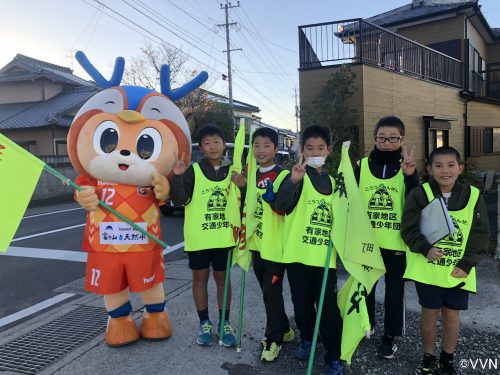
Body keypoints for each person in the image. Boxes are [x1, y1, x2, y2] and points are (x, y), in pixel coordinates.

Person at [401, 146, 490, 375]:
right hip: (428, 270)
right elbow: (408, 229)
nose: (445, 171)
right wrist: (425, 248)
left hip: (457, 271)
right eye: (438, 166)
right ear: (429, 169)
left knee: (451, 315)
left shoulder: (473, 195)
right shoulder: (420, 194)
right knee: (429, 314)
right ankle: (429, 356)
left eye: (451, 165)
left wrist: (466, 264)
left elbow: (480, 234)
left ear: (460, 168)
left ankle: (447, 358)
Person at [275, 125, 343, 375]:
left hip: (326, 260)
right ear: (301, 150)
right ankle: (308, 339)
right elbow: (281, 205)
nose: (315, 152)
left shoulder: (335, 183)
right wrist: (294, 180)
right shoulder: (292, 176)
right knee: (302, 305)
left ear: (329, 150)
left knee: (328, 309)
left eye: (321, 148)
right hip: (297, 256)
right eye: (310, 148)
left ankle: (333, 356)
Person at [170, 124, 244, 347]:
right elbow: (179, 200)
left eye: (216, 142)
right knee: (199, 280)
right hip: (199, 238)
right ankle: (204, 323)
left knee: (223, 280)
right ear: (201, 148)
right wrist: (177, 177)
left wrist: (245, 184)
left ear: (224, 145)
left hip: (223, 237)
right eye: (207, 143)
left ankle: (224, 323)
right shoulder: (192, 170)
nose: (212, 146)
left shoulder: (234, 172)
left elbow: (246, 204)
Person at [354, 115, 418, 359]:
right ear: (375, 138)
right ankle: (365, 326)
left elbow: (416, 202)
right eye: (382, 137)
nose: (387, 142)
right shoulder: (361, 165)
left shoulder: (407, 166)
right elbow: (350, 200)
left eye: (393, 138)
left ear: (401, 139)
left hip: (396, 244)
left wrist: (412, 177)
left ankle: (389, 337)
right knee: (365, 287)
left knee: (394, 293)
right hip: (367, 243)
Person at [239, 127, 295, 361]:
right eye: (256, 146)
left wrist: (275, 201)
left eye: (266, 145)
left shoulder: (284, 175)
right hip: (255, 244)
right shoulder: (250, 174)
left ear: (276, 148)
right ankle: (285, 329)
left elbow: (285, 208)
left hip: (275, 248)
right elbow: (245, 207)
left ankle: (273, 340)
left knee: (271, 293)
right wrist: (242, 186)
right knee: (267, 292)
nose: (260, 150)